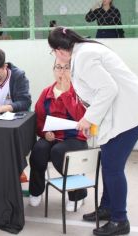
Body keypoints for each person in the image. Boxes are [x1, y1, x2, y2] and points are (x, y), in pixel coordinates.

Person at [48, 27, 138, 236]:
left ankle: (120, 220)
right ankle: (107, 207)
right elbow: (98, 96)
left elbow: (108, 89)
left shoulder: (84, 57)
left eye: (52, 52)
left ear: (60, 50)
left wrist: (88, 120)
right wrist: (92, 123)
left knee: (112, 167)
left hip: (132, 114)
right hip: (122, 112)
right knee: (108, 164)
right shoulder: (83, 51)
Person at [28, 58, 88, 211]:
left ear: (72, 71)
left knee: (59, 152)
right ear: (53, 70)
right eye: (58, 67)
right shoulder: (46, 92)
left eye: (66, 67)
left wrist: (67, 93)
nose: (62, 71)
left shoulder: (79, 92)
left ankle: (77, 194)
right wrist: (44, 133)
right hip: (52, 137)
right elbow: (39, 120)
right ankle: (36, 191)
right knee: (38, 150)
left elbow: (82, 118)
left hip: (74, 138)